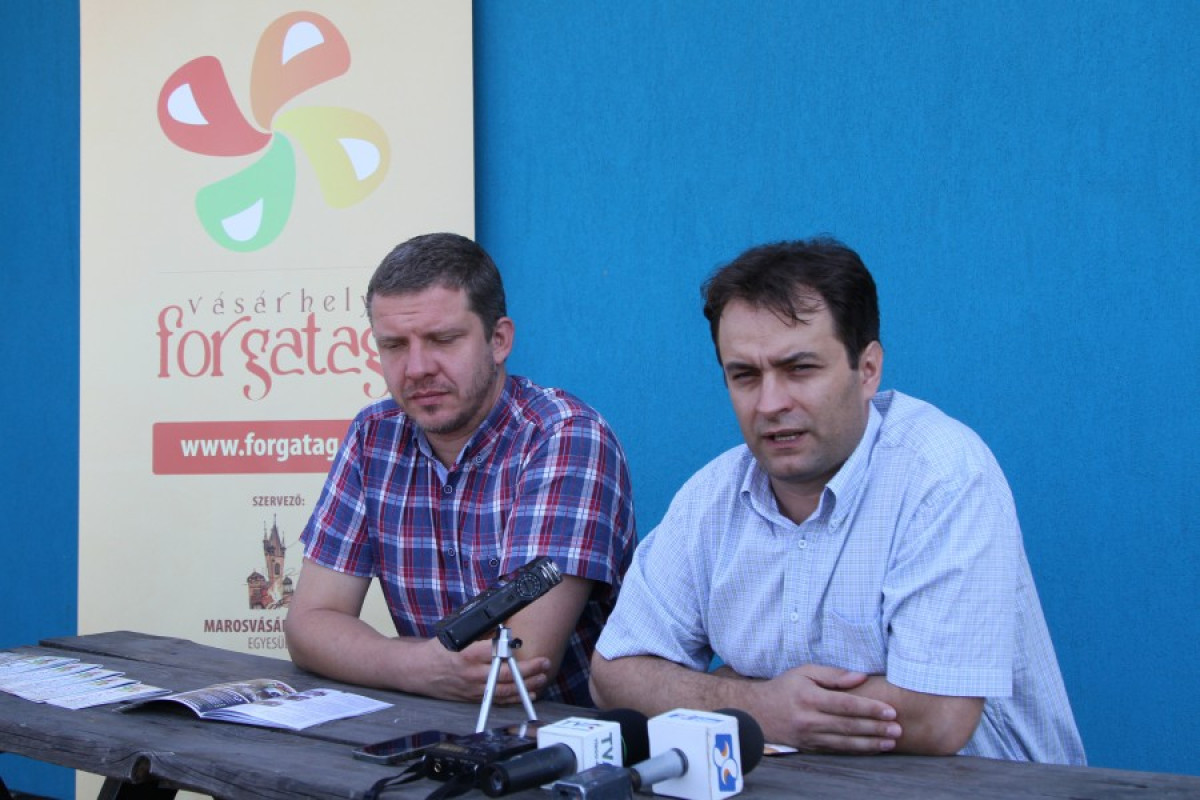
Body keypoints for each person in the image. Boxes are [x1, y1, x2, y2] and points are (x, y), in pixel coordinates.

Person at [590, 237, 1085, 764]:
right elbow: (613, 675)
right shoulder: (710, 498)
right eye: (745, 376)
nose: (771, 403)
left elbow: (938, 716)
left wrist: (730, 694)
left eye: (800, 369)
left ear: (867, 369)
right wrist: (760, 704)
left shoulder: (942, 475)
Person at [286, 232, 637, 708]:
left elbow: (517, 665)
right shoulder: (374, 436)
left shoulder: (564, 436)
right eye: (394, 345)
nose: (416, 368)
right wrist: (417, 666)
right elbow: (308, 625)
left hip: (562, 738)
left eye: (442, 340)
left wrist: (383, 660)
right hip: (428, 728)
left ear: (499, 340)